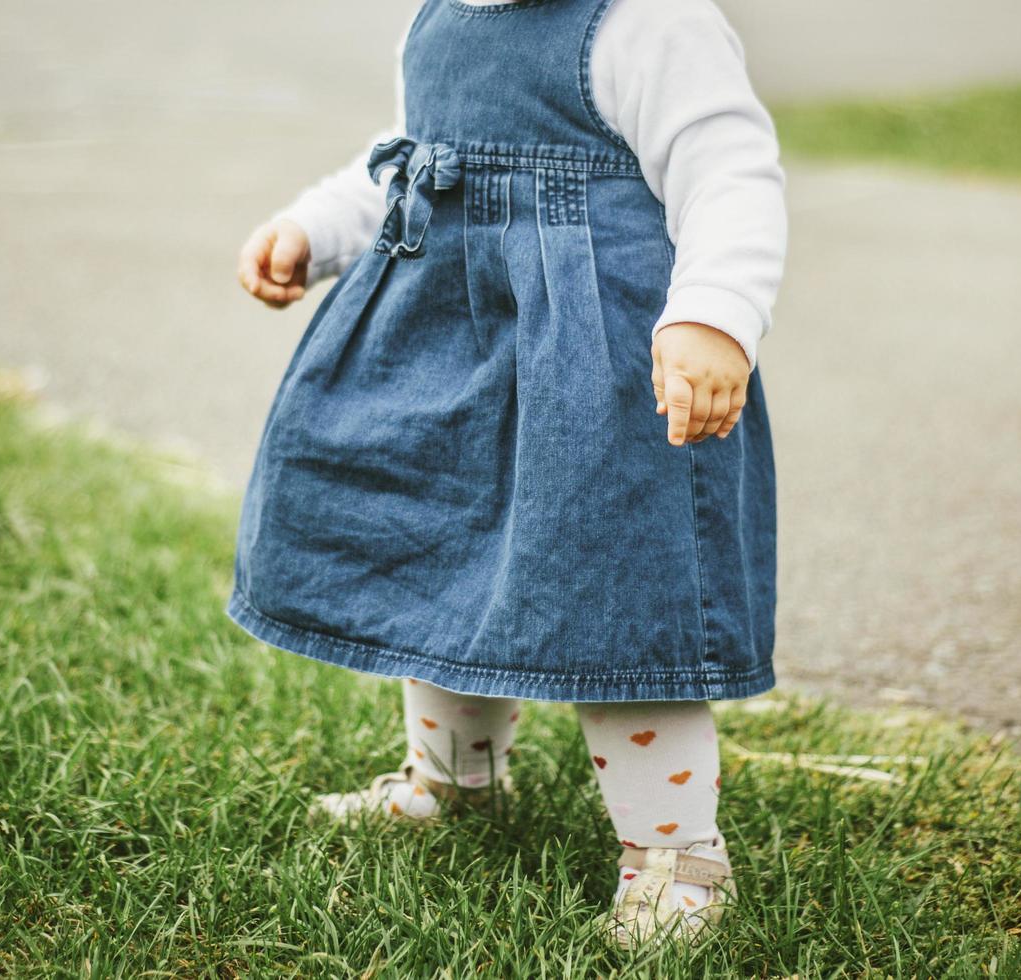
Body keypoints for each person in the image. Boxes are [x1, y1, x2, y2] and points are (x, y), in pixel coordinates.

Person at [229, 0, 787, 947]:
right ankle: (452, 780)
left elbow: (727, 169)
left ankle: (676, 852)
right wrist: (316, 227)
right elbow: (416, 159)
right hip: (452, 353)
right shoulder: (439, 18)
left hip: (603, 372)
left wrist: (714, 314)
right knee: (448, 565)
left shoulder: (648, 23)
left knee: (618, 594)